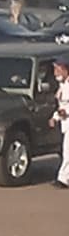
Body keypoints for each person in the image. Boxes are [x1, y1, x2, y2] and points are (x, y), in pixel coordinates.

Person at [51, 58, 69, 189]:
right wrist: (55, 117)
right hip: (66, 123)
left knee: (67, 152)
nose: (55, 72)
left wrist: (63, 113)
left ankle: (63, 178)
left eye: (58, 69)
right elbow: (62, 105)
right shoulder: (62, 85)